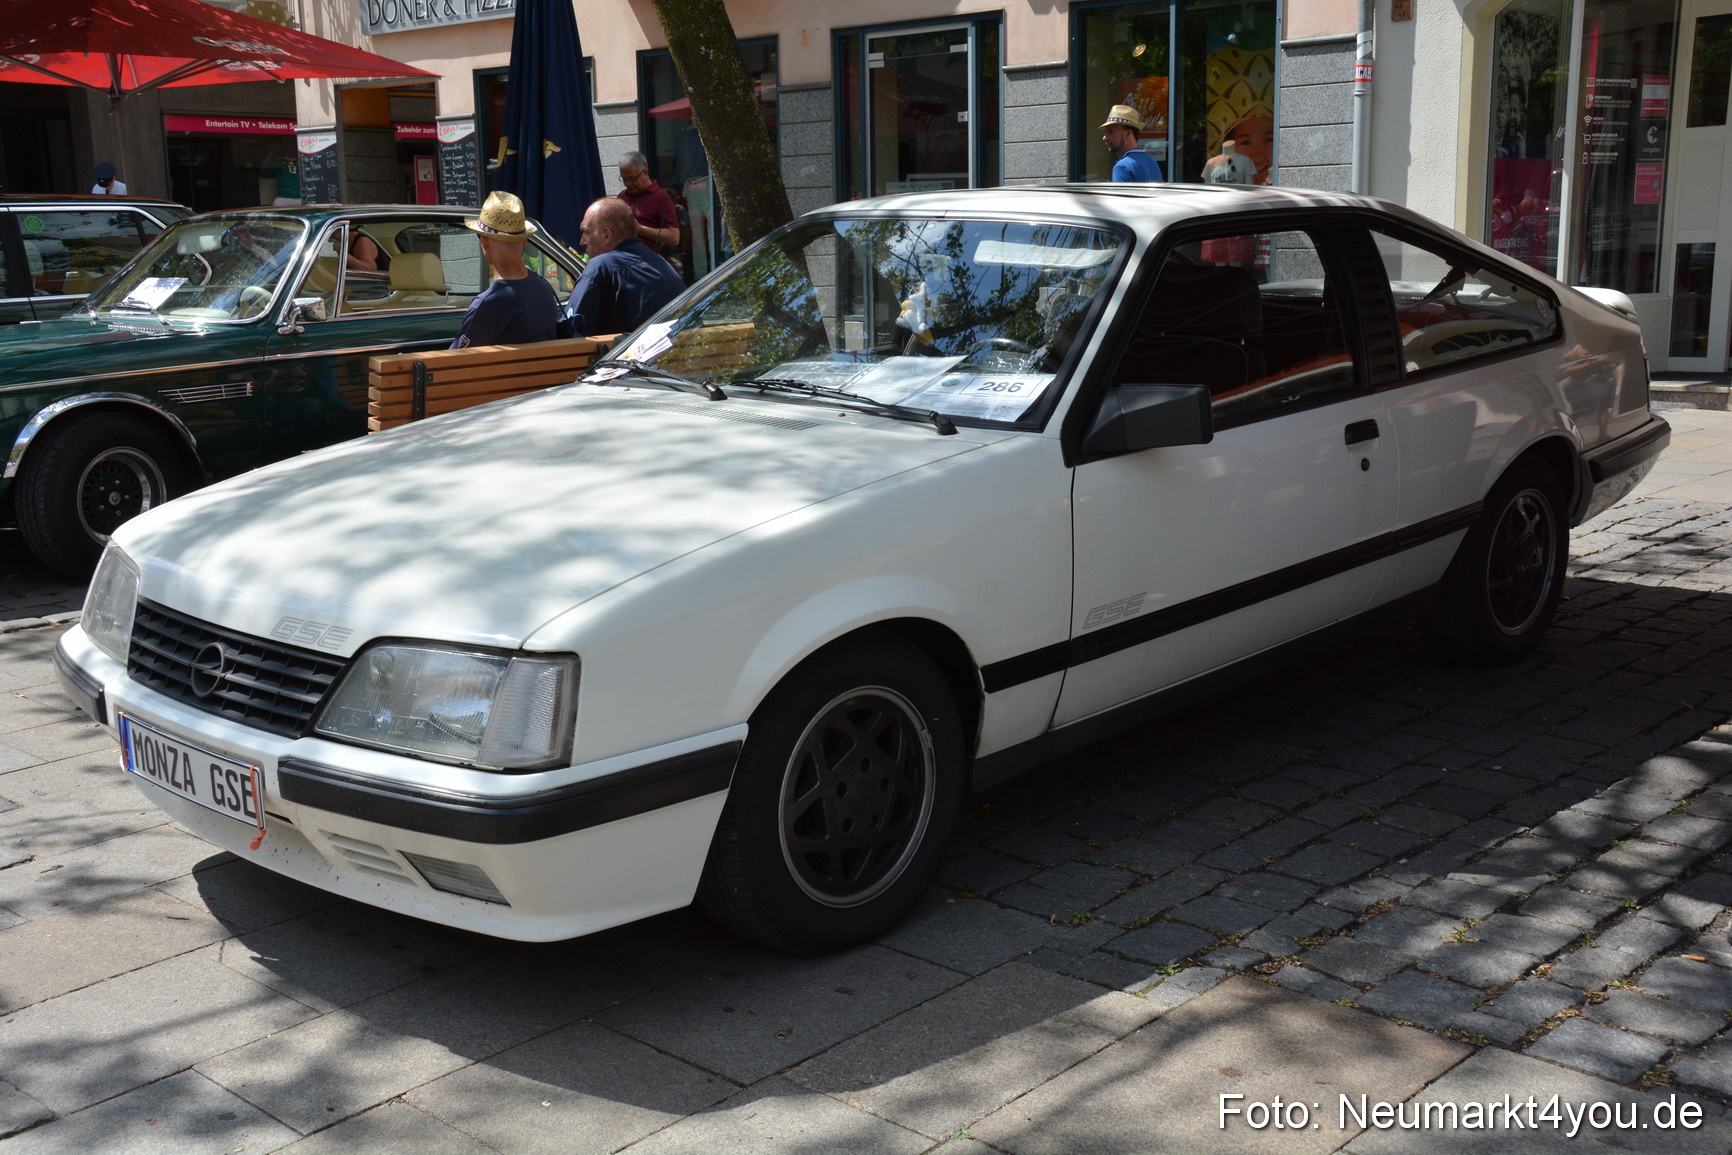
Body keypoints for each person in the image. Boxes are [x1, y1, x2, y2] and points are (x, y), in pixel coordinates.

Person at [450, 191, 560, 349]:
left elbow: (456, 362)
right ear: (524, 242)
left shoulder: (488, 303)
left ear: (485, 242)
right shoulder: (544, 289)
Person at [563, 196, 685, 337]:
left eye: (586, 232)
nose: (582, 241)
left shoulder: (600, 267)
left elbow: (571, 333)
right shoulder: (661, 263)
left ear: (606, 235)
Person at [616, 151, 680, 252]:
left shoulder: (661, 197)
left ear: (645, 172)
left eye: (632, 179)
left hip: (647, 261)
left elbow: (674, 237)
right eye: (624, 179)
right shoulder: (622, 196)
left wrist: (640, 229)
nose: (628, 184)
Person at [1100, 105, 1163, 183]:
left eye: (1111, 132)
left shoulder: (1122, 167)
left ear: (1128, 134)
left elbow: (1120, 195)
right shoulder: (1151, 161)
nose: (1105, 137)